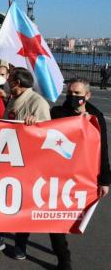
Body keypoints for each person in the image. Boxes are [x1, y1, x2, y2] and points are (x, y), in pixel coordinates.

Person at [0, 67, 51, 261]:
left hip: (28, 164)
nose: (5, 80)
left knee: (23, 205)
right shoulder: (13, 98)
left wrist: (36, 124)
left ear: (17, 83)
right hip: (8, 160)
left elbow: (48, 134)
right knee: (1, 201)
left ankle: (21, 244)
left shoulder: (37, 103)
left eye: (9, 78)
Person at [46, 78, 110, 270]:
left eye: (77, 94)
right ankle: (63, 258)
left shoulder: (95, 117)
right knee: (53, 217)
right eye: (70, 93)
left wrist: (105, 180)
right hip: (57, 175)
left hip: (83, 176)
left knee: (74, 217)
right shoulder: (56, 113)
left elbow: (103, 150)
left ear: (87, 95)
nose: (72, 97)